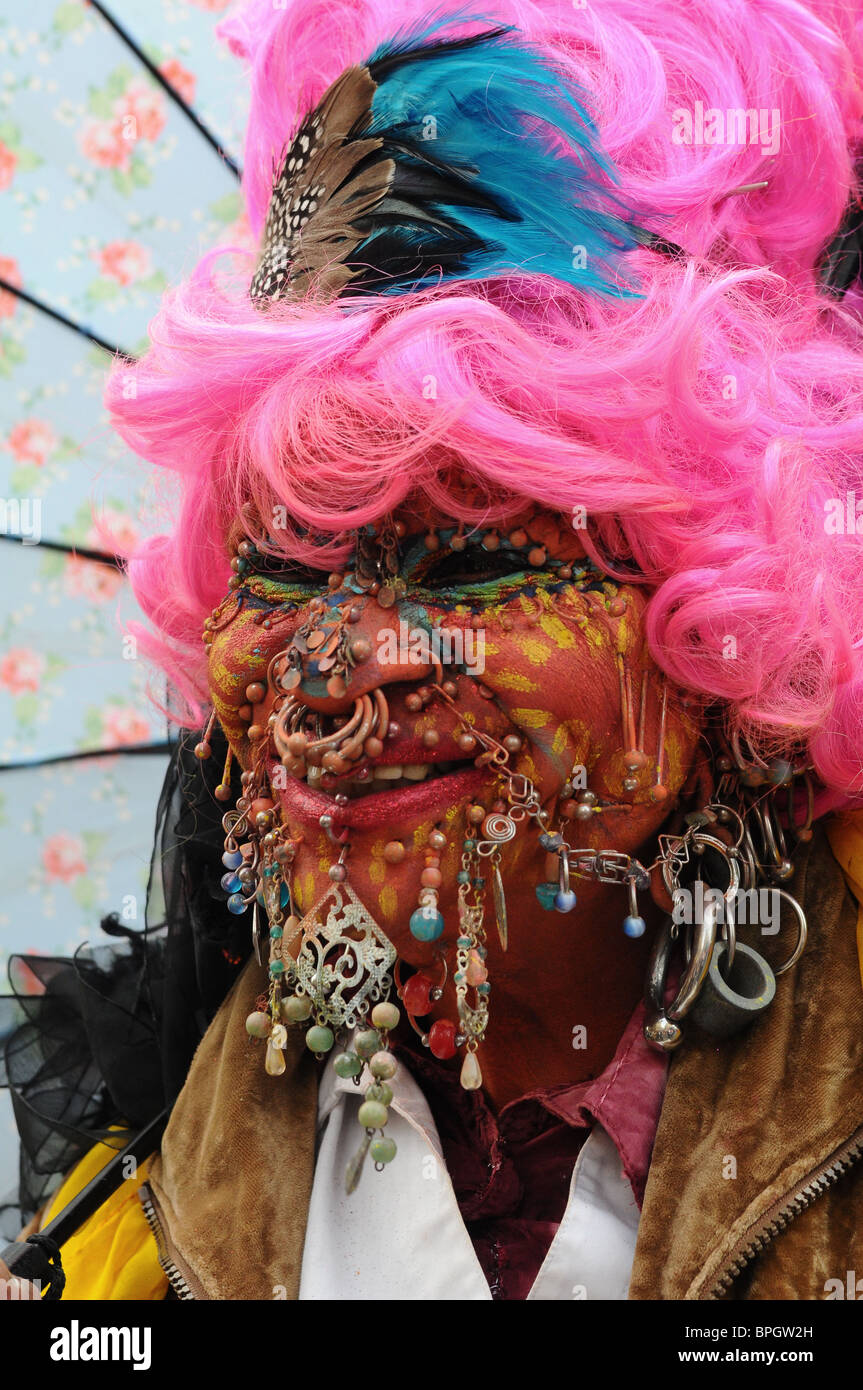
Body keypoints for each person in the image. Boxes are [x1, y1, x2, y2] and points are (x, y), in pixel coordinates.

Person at [3, 0, 863, 1301]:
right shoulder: (125, 1206)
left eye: (469, 559)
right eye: (286, 564)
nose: (337, 674)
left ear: (716, 624)